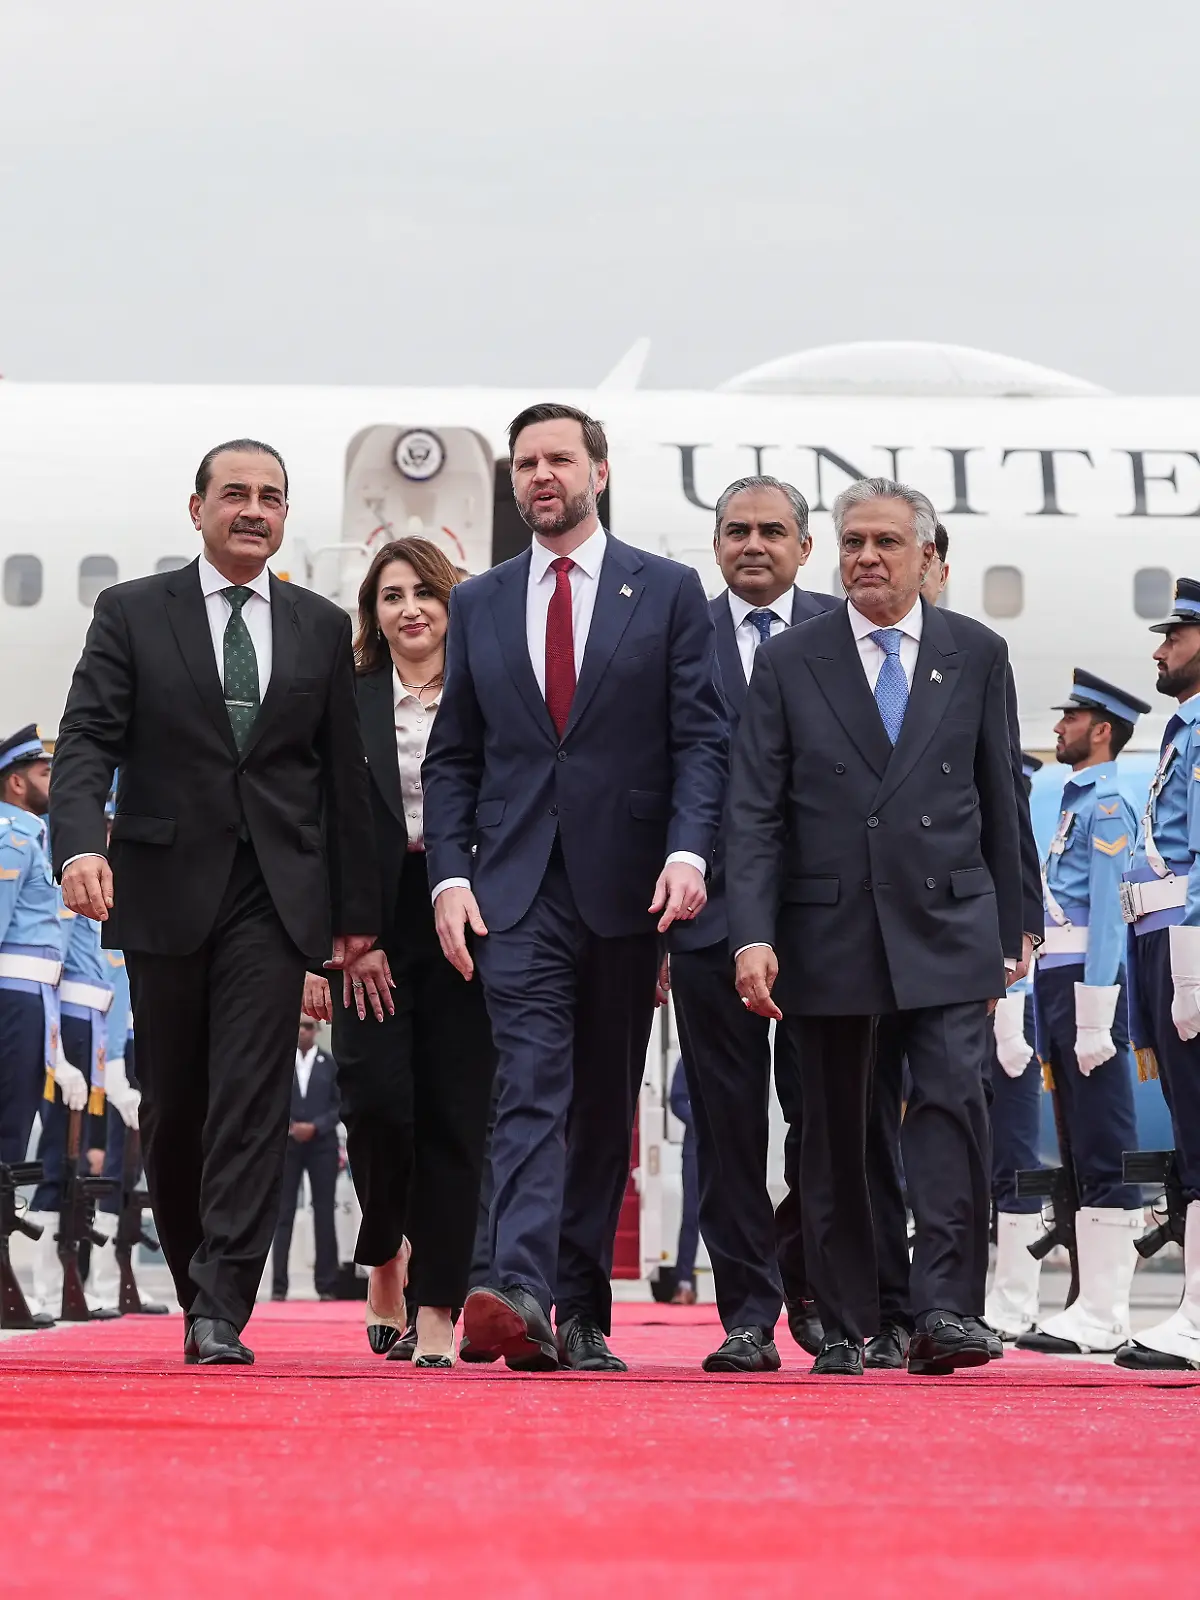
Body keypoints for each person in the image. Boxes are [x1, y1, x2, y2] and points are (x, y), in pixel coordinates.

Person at [49, 439, 379, 1366]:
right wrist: (77, 842)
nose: (254, 510)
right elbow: (85, 743)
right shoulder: (131, 614)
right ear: (195, 508)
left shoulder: (317, 625)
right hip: (163, 887)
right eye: (235, 494)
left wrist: (355, 917)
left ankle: (221, 1301)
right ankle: (201, 1270)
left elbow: (343, 783)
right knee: (179, 1099)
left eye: (271, 498)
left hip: (275, 897)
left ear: (284, 517)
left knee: (250, 1091)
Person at [424, 402, 727, 1372]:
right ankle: (514, 1284)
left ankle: (579, 1307)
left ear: (598, 470)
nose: (540, 475)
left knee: (603, 1101)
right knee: (529, 1081)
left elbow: (702, 740)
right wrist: (450, 875)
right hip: (514, 891)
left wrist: (689, 853)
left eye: (558, 458)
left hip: (629, 885)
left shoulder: (669, 591)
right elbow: (452, 760)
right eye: (525, 463)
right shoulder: (479, 603)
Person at [728, 476, 1028, 1377]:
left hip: (948, 921)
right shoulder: (791, 659)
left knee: (950, 1108)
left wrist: (1015, 923)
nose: (866, 557)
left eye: (888, 544)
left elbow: (999, 791)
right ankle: (854, 1322)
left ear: (929, 558)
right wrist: (752, 933)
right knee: (839, 1132)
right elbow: (754, 810)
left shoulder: (976, 653)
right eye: (854, 541)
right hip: (828, 929)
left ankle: (945, 1311)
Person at [304, 537, 495, 1368]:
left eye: (424, 591)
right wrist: (346, 937)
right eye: (390, 595)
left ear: (452, 602)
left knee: (457, 1116)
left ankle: (438, 1308)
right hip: (367, 927)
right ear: (372, 614)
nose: (409, 607)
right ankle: (386, 1253)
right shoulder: (346, 696)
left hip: (469, 922)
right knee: (378, 1105)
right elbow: (318, 823)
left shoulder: (490, 692)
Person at [668, 474, 837, 1370]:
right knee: (726, 1122)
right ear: (717, 543)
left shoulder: (847, 636)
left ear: (806, 547)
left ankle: (810, 1282)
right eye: (736, 531)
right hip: (706, 915)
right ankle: (745, 1313)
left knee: (823, 1114)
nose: (753, 545)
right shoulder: (676, 632)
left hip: (820, 919)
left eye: (773, 530)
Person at [1004, 672, 1151, 1354]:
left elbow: (1107, 921)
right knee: (1078, 1144)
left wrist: (1097, 1012)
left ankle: (1108, 1311)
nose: (1058, 727)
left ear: (1102, 730)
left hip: (1087, 990)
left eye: (1073, 718)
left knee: (1105, 1143)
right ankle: (1090, 1307)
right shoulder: (1076, 799)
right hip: (1058, 987)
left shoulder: (1110, 802)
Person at [1115, 578, 1200, 1370]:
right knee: (1189, 1124)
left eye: (1175, 635)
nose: (1160, 648)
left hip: (1187, 932)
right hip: (1158, 931)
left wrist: (1195, 948)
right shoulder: (1185, 730)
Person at [28, 862, 122, 1320]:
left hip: (92, 1026)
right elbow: (52, 973)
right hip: (68, 1023)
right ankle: (44, 1290)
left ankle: (68, 1286)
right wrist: (56, 1050)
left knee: (75, 1163)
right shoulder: (68, 889)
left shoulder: (105, 894)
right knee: (55, 1157)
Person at [983, 754, 1047, 1340]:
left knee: (1016, 1162)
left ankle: (1017, 1297)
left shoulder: (1014, 837)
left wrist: (1014, 1014)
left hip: (1012, 1012)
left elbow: (1025, 920)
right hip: (977, 1008)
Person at [0, 729, 65, 1193]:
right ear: (17, 783)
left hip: (34, 994)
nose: (55, 780)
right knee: (9, 1126)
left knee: (16, 1125)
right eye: (45, 772)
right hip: (14, 995)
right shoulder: (13, 836)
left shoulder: (33, 835)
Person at [270, 1015, 341, 1302]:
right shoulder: (280, 1064)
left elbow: (341, 1104)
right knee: (283, 1213)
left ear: (317, 1030)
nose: (302, 1031)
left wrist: (317, 1126)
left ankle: (326, 1284)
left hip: (322, 1144)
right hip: (287, 1145)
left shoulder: (330, 1064)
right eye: (298, 1025)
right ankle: (278, 1286)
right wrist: (289, 1126)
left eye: (308, 1026)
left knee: (324, 1213)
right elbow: (270, 1099)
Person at [667, 1058, 699, 1305]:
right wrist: (703, 1120)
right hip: (696, 1149)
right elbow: (677, 1099)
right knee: (692, 1216)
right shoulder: (688, 1058)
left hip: (731, 1147)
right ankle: (684, 1283)